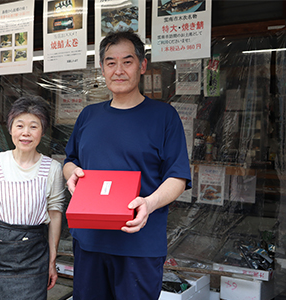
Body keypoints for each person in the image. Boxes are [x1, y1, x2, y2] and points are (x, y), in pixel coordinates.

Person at [63, 31, 191, 299]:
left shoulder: (164, 116)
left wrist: (150, 203)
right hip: (89, 242)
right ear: (102, 69)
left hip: (139, 244)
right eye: (110, 63)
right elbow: (70, 161)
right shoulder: (89, 115)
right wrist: (71, 174)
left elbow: (177, 177)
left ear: (142, 66)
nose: (118, 70)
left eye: (127, 61)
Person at [0, 95, 65, 300]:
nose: (25, 133)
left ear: (43, 131)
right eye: (20, 125)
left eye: (33, 126)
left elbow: (55, 214)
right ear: (11, 128)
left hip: (34, 255)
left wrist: (52, 261)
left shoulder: (53, 169)